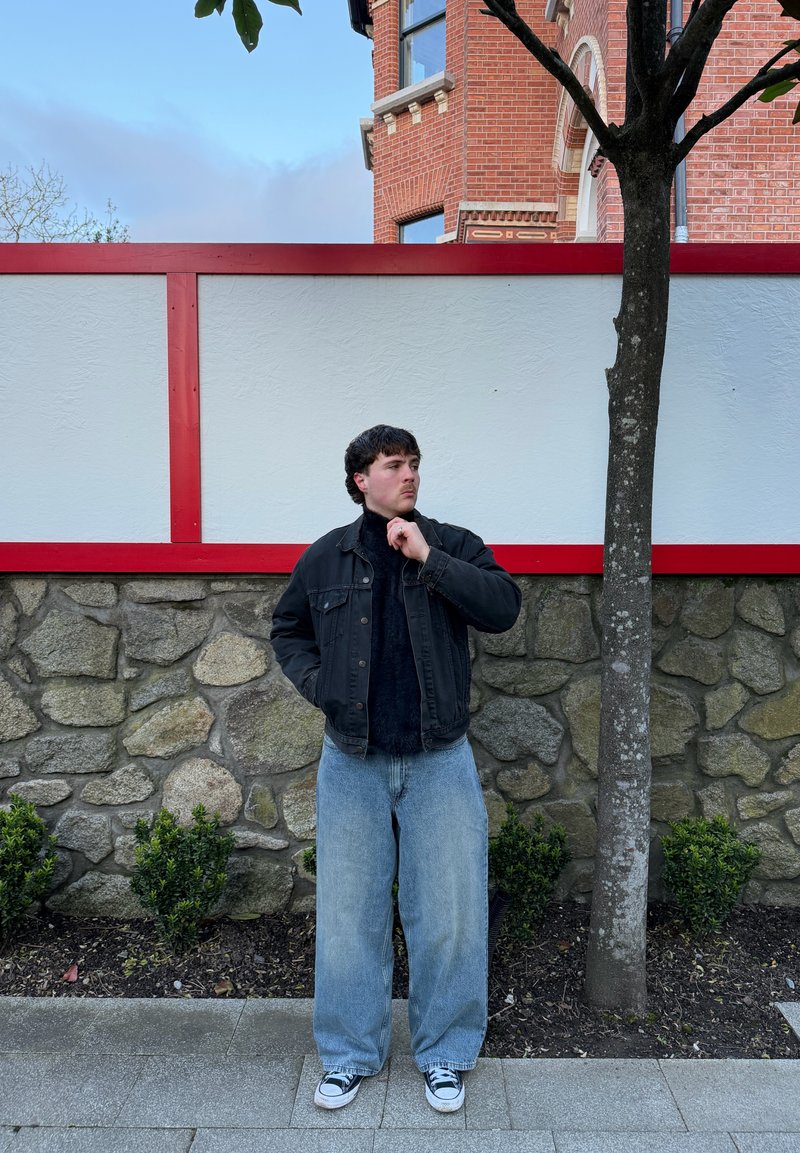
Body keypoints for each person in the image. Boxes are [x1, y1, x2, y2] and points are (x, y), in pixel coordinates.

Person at [270, 424, 521, 1113]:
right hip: (353, 760)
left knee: (450, 911)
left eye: (413, 463)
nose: (408, 474)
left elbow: (504, 607)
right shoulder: (327, 558)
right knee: (349, 914)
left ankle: (443, 1054)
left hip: (439, 757)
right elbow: (286, 629)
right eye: (393, 464)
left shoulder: (452, 544)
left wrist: (429, 557)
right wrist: (323, 687)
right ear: (361, 479)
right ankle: (350, 1055)